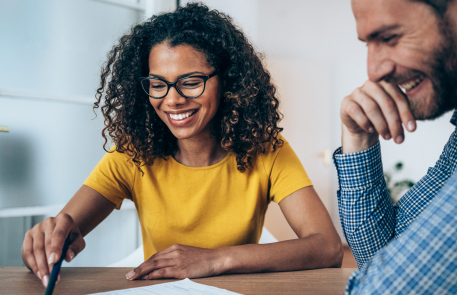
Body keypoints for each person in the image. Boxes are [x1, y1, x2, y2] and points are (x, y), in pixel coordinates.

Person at [21, 3, 343, 288]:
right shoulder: (132, 153)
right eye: (158, 84)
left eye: (191, 82)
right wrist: (44, 242)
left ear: (226, 80)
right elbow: (64, 230)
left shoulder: (266, 149)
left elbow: (327, 247)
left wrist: (215, 260)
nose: (172, 100)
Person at [336, 0, 457, 293]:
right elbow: (382, 256)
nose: (374, 71)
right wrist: (358, 138)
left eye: (390, 38)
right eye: (368, 43)